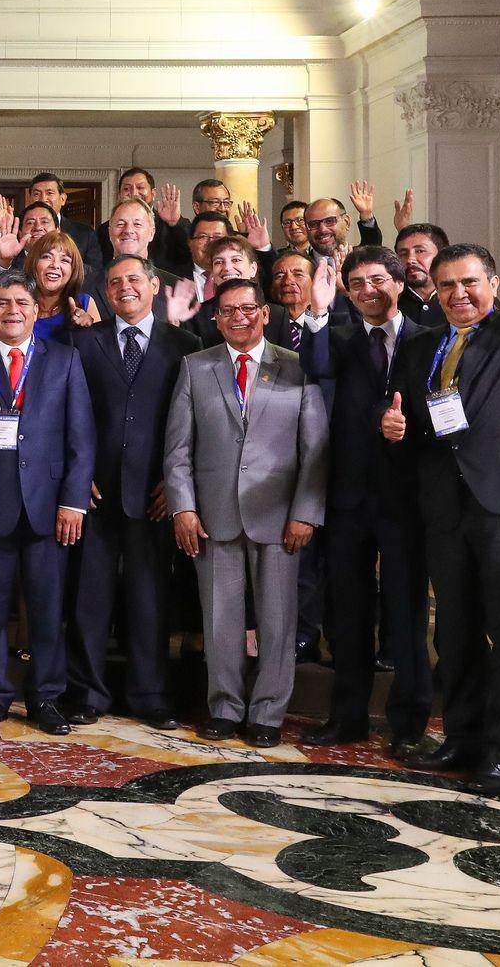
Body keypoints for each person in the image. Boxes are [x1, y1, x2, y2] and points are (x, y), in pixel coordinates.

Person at [383, 156, 500, 795]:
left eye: (470, 283)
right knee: (456, 629)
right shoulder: (421, 346)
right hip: (445, 504)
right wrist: (397, 429)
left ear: (493, 282)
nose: (459, 295)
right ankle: (461, 737)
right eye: (447, 287)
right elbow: (415, 419)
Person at [163, 276, 329, 749]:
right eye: (228, 310)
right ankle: (225, 706)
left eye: (247, 309)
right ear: (215, 320)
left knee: (278, 620)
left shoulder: (298, 366)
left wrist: (306, 512)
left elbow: (315, 445)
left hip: (279, 517)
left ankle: (268, 712)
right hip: (212, 516)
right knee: (220, 619)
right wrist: (183, 508)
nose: (239, 317)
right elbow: (177, 449)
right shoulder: (195, 367)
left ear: (264, 314)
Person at [0, 271, 95, 734]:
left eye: (22, 303)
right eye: (2, 303)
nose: (12, 311)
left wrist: (74, 502)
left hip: (49, 508)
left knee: (47, 610)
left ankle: (45, 698)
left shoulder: (64, 360)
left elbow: (82, 440)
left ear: (35, 310)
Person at [301, 245, 431, 753]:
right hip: (349, 497)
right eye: (355, 284)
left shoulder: (428, 339)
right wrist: (317, 308)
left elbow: (439, 405)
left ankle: (408, 724)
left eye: (377, 280)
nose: (367, 291)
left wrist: (406, 424)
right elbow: (315, 366)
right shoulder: (339, 339)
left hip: (406, 498)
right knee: (349, 614)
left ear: (398, 282)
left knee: (405, 614)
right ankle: (347, 717)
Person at [65, 253, 199, 730]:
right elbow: (67, 415)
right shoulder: (81, 344)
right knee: (89, 598)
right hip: (94, 494)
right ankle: (87, 693)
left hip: (155, 494)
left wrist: (176, 482)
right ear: (105, 291)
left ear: (154, 284)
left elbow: (194, 422)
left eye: (133, 280)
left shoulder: (186, 344)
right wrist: (76, 478)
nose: (124, 288)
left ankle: (152, 695)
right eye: (115, 282)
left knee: (150, 598)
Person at [22, 230, 94, 343]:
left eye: (65, 260)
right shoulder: (17, 303)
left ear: (73, 270)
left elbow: (100, 356)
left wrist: (88, 332)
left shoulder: (85, 303)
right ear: (33, 263)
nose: (55, 265)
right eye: (47, 257)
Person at [394, 221, 449, 327]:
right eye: (403, 253)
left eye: (420, 251)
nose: (410, 260)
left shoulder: (459, 298)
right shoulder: (390, 302)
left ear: (442, 255)